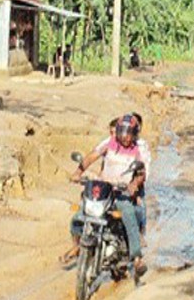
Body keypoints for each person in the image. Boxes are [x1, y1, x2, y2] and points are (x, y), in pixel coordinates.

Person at [63, 114, 150, 277]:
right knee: (79, 215)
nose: (124, 136)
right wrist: (78, 172)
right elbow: (92, 156)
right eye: (122, 131)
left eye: (128, 132)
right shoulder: (109, 142)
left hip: (121, 192)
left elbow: (141, 172)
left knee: (128, 214)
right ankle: (77, 245)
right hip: (103, 188)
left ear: (135, 133)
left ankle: (137, 258)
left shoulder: (138, 148)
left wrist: (133, 184)